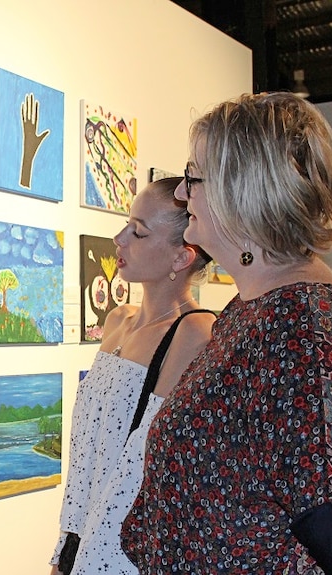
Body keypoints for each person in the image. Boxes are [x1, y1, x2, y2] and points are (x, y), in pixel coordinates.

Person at [121, 92, 332, 574]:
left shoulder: (304, 331)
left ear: (242, 191)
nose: (183, 195)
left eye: (193, 177)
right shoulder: (253, 308)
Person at [49, 177, 215, 575]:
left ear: (182, 258)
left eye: (138, 232)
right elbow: (85, 459)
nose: (120, 238)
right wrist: (65, 551)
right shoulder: (116, 321)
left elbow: (136, 470)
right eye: (127, 224)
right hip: (80, 543)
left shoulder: (194, 333)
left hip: (126, 555)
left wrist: (91, 560)